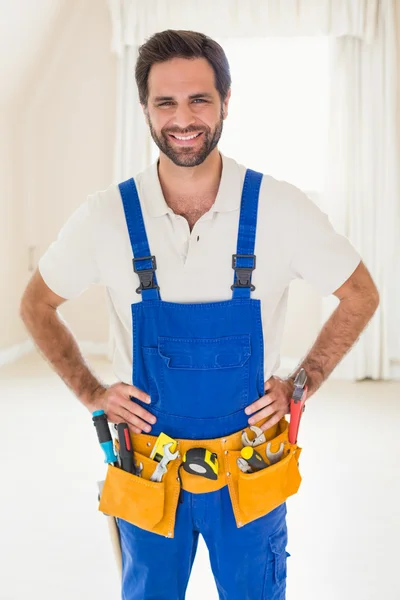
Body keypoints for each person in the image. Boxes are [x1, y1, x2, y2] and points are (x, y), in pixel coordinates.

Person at [20, 29, 379, 600]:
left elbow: (361, 293)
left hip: (250, 466)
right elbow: (36, 304)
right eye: (165, 102)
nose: (182, 118)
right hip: (147, 467)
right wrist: (92, 393)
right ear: (144, 109)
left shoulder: (278, 207)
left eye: (199, 100)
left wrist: (301, 383)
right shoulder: (106, 215)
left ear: (226, 103)